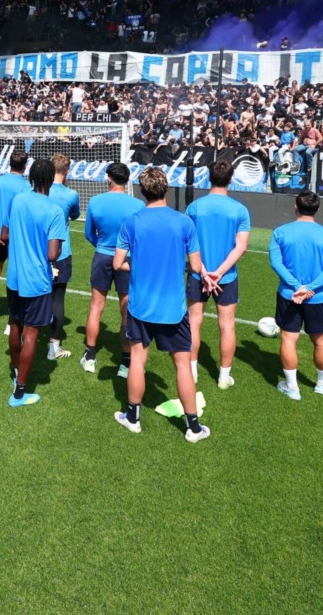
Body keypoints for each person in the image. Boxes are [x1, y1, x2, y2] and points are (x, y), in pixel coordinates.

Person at [113, 167, 209, 442]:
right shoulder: (183, 222)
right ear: (165, 189)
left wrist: (139, 266)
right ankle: (193, 427)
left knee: (137, 360)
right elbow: (196, 266)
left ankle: (133, 418)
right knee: (182, 364)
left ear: (143, 192)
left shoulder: (132, 222)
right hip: (172, 308)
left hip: (141, 306)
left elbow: (118, 263)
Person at [1, 159, 67, 408]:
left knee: (15, 323)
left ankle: (17, 371)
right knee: (31, 333)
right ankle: (19, 392)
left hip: (15, 277)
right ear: (51, 179)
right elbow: (52, 254)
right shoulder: (54, 211)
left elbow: (4, 234)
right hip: (37, 279)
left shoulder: (18, 200)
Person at [267, 190, 323, 400]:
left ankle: (292, 387)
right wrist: (309, 288)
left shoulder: (280, 232)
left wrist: (296, 286)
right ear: (317, 209)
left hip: (289, 295)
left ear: (296, 207)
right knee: (321, 342)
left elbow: (276, 263)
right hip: (317, 297)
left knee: (288, 339)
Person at [185, 159, 250, 391]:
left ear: (209, 177)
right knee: (227, 325)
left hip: (198, 275)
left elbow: (187, 244)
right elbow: (241, 247)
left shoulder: (194, 207)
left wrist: (204, 272)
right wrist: (219, 273)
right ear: (230, 179)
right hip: (226, 277)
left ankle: (191, 373)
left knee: (193, 323)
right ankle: (224, 377)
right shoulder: (240, 209)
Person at [80, 162, 144, 375]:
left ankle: (90, 356)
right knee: (126, 309)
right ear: (127, 179)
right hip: (127, 259)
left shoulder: (95, 201)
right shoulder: (138, 205)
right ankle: (126, 362)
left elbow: (89, 234)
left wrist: (102, 246)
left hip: (103, 256)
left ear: (108, 178)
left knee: (96, 306)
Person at [0, 150, 31, 330]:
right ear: (24, 166)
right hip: (17, 238)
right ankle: (11, 323)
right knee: (16, 278)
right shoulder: (26, 186)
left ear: (10, 163)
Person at [46, 153, 81, 360]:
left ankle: (25, 335)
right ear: (67, 171)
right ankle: (54, 347)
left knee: (34, 295)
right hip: (60, 251)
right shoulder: (71, 194)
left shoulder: (39, 191)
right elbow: (75, 215)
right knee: (58, 298)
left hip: (39, 249)